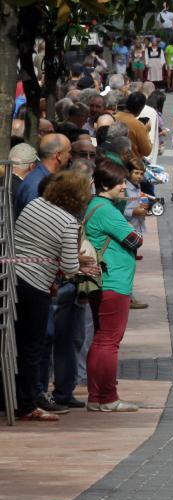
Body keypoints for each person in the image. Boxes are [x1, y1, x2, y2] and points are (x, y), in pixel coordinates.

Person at [8, 171, 96, 420]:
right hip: (36, 285)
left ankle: (12, 397)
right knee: (32, 347)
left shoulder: (35, 204)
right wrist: (82, 265)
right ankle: (26, 404)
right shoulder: (68, 222)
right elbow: (69, 268)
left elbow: (34, 244)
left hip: (14, 275)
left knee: (15, 344)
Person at [84, 160, 143, 412]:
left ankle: (96, 397)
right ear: (106, 184)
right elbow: (135, 239)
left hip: (102, 280)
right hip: (114, 281)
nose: (124, 186)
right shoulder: (107, 211)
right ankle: (108, 397)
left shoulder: (95, 205)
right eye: (120, 182)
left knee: (100, 339)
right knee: (109, 341)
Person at [15, 133, 72, 219]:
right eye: (69, 152)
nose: (70, 157)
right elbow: (33, 222)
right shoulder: (36, 184)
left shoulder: (43, 179)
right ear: (58, 156)